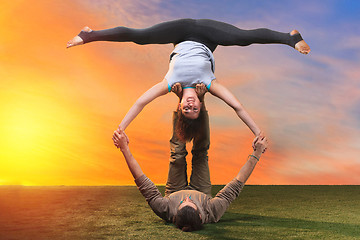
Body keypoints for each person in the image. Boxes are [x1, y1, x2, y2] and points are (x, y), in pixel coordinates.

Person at [67, 19, 310, 143]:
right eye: (195, 109)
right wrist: (257, 132)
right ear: (201, 106)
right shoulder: (210, 85)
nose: (191, 105)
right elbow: (237, 107)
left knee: (140, 37)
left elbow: (140, 103)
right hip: (209, 35)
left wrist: (121, 128)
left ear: (180, 106)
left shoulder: (168, 83)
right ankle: (290, 38)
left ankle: (89, 34)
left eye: (187, 109)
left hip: (180, 32)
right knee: (242, 38)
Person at [112, 118, 268, 232]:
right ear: (201, 216)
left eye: (183, 202)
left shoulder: (165, 209)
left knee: (177, 154)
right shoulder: (212, 211)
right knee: (200, 154)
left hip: (174, 190)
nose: (187, 198)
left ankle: (183, 106)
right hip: (201, 190)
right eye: (190, 202)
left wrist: (124, 148)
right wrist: (257, 153)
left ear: (175, 215)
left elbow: (142, 181)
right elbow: (237, 183)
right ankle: (200, 104)